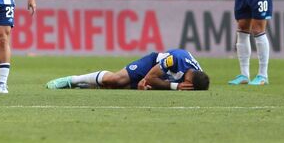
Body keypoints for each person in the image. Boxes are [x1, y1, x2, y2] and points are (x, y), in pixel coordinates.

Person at [45, 49, 210, 91]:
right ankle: (71, 80)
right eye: (189, 87)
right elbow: (151, 77)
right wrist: (175, 87)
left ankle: (88, 86)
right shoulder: (176, 60)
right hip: (152, 65)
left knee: (121, 88)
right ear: (188, 82)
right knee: (116, 80)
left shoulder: (198, 73)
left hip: (167, 77)